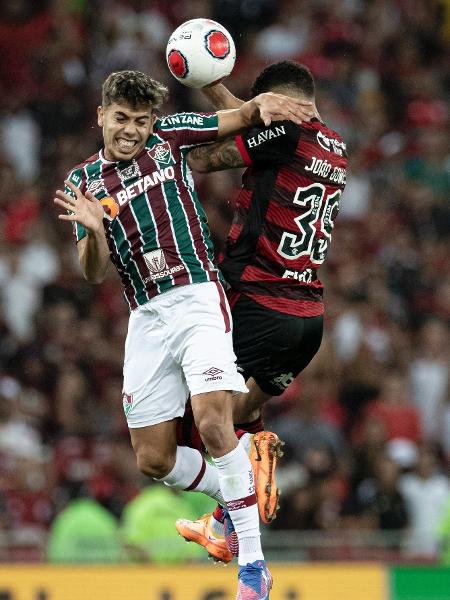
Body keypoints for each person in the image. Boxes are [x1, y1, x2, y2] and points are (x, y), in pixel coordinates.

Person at [54, 69, 313, 598]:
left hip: (196, 295)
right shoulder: (82, 184)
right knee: (153, 459)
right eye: (121, 119)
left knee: (213, 422)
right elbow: (92, 271)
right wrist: (96, 233)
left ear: (152, 121)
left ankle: (253, 568)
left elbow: (236, 117)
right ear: (101, 116)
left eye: (140, 121)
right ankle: (243, 479)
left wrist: (262, 103)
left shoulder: (168, 137)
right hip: (146, 316)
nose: (130, 131)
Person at [175, 61, 348, 564]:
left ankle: (248, 474)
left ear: (275, 103)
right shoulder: (333, 144)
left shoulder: (283, 136)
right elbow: (263, 130)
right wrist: (219, 90)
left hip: (257, 300)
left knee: (202, 426)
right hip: (307, 318)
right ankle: (226, 526)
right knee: (246, 412)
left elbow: (206, 160)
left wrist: (176, 138)